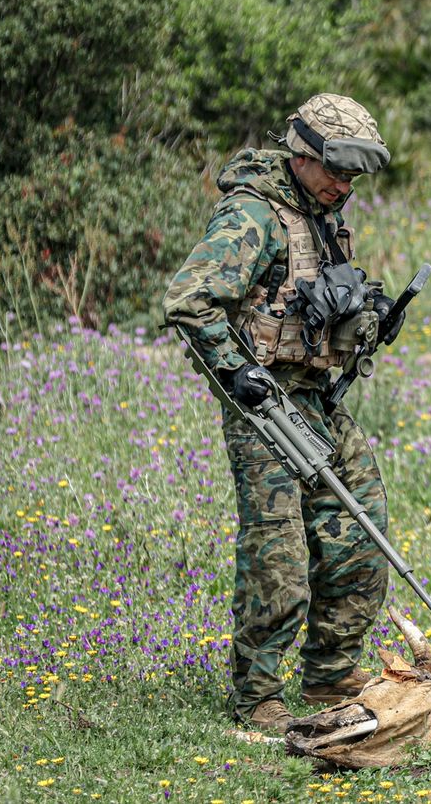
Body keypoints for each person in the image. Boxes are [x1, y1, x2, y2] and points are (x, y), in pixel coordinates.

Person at [164, 94, 398, 732]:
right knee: (279, 552)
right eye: (335, 170)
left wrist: (365, 321)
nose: (344, 185)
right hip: (266, 407)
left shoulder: (322, 215)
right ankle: (258, 693)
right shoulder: (253, 214)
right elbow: (190, 300)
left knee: (360, 532)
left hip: (320, 400)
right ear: (301, 155)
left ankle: (332, 672)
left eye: (354, 175)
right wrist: (239, 374)